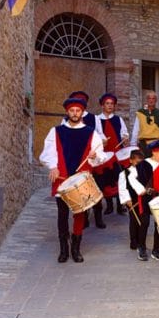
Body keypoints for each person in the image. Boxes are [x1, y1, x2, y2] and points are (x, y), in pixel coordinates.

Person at [39, 97, 106, 263]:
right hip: (61, 178)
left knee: (80, 214)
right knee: (62, 214)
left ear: (82, 112)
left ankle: (76, 249)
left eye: (78, 111)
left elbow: (101, 156)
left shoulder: (91, 132)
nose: (75, 114)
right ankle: (64, 249)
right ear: (67, 112)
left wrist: (95, 155)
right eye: (72, 111)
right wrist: (53, 167)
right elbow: (47, 152)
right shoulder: (56, 131)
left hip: (81, 180)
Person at [128, 139, 159, 261]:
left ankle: (156, 249)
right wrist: (140, 189)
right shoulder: (143, 164)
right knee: (145, 223)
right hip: (145, 197)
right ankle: (141, 247)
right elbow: (131, 177)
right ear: (154, 152)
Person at [68, 91, 106, 228]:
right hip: (74, 160)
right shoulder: (67, 119)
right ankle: (83, 218)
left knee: (95, 188)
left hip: (91, 160)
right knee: (79, 190)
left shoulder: (94, 118)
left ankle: (98, 217)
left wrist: (98, 146)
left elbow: (100, 135)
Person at [97, 93, 129, 215]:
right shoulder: (97, 119)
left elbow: (124, 134)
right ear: (102, 105)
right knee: (106, 179)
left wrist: (125, 139)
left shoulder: (118, 119)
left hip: (117, 154)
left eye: (112, 104)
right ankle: (109, 205)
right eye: (107, 103)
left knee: (120, 179)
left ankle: (121, 206)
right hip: (105, 155)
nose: (110, 106)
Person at [118, 149, 145, 250]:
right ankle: (133, 241)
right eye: (137, 162)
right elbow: (122, 188)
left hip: (142, 199)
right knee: (134, 221)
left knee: (143, 220)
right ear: (131, 160)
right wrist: (127, 200)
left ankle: (141, 240)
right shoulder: (124, 174)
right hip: (132, 200)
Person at [130, 90, 159, 156]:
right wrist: (133, 145)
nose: (151, 100)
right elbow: (136, 129)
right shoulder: (140, 112)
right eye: (149, 98)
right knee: (144, 164)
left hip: (156, 143)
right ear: (146, 100)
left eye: (153, 98)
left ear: (156, 100)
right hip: (143, 144)